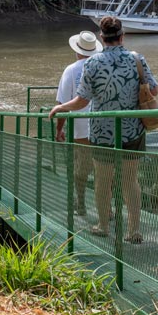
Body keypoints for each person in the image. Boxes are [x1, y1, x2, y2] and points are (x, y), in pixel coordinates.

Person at [49, 16, 157, 244]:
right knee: (130, 180)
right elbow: (154, 92)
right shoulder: (137, 59)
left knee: (103, 181)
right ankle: (134, 230)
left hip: (102, 132)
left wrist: (60, 107)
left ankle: (103, 226)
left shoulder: (92, 63)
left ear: (101, 37)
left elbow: (81, 102)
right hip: (132, 129)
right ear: (122, 36)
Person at [54, 30, 103, 217]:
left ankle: (81, 204)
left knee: (81, 169)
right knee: (103, 170)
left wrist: (59, 129)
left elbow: (63, 104)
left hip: (80, 130)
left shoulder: (71, 70)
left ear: (77, 50)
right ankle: (106, 210)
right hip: (104, 128)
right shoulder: (101, 67)